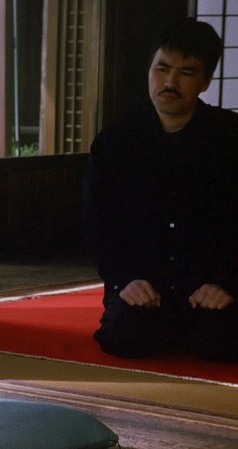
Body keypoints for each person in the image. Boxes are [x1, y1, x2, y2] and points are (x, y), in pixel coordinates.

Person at [83, 18, 238, 362]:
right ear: (149, 71)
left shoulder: (231, 139)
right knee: (127, 338)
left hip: (209, 286)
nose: (170, 82)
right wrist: (125, 280)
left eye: (186, 72)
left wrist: (226, 284)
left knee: (217, 342)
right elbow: (99, 225)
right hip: (142, 284)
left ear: (205, 81)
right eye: (162, 68)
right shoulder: (115, 142)